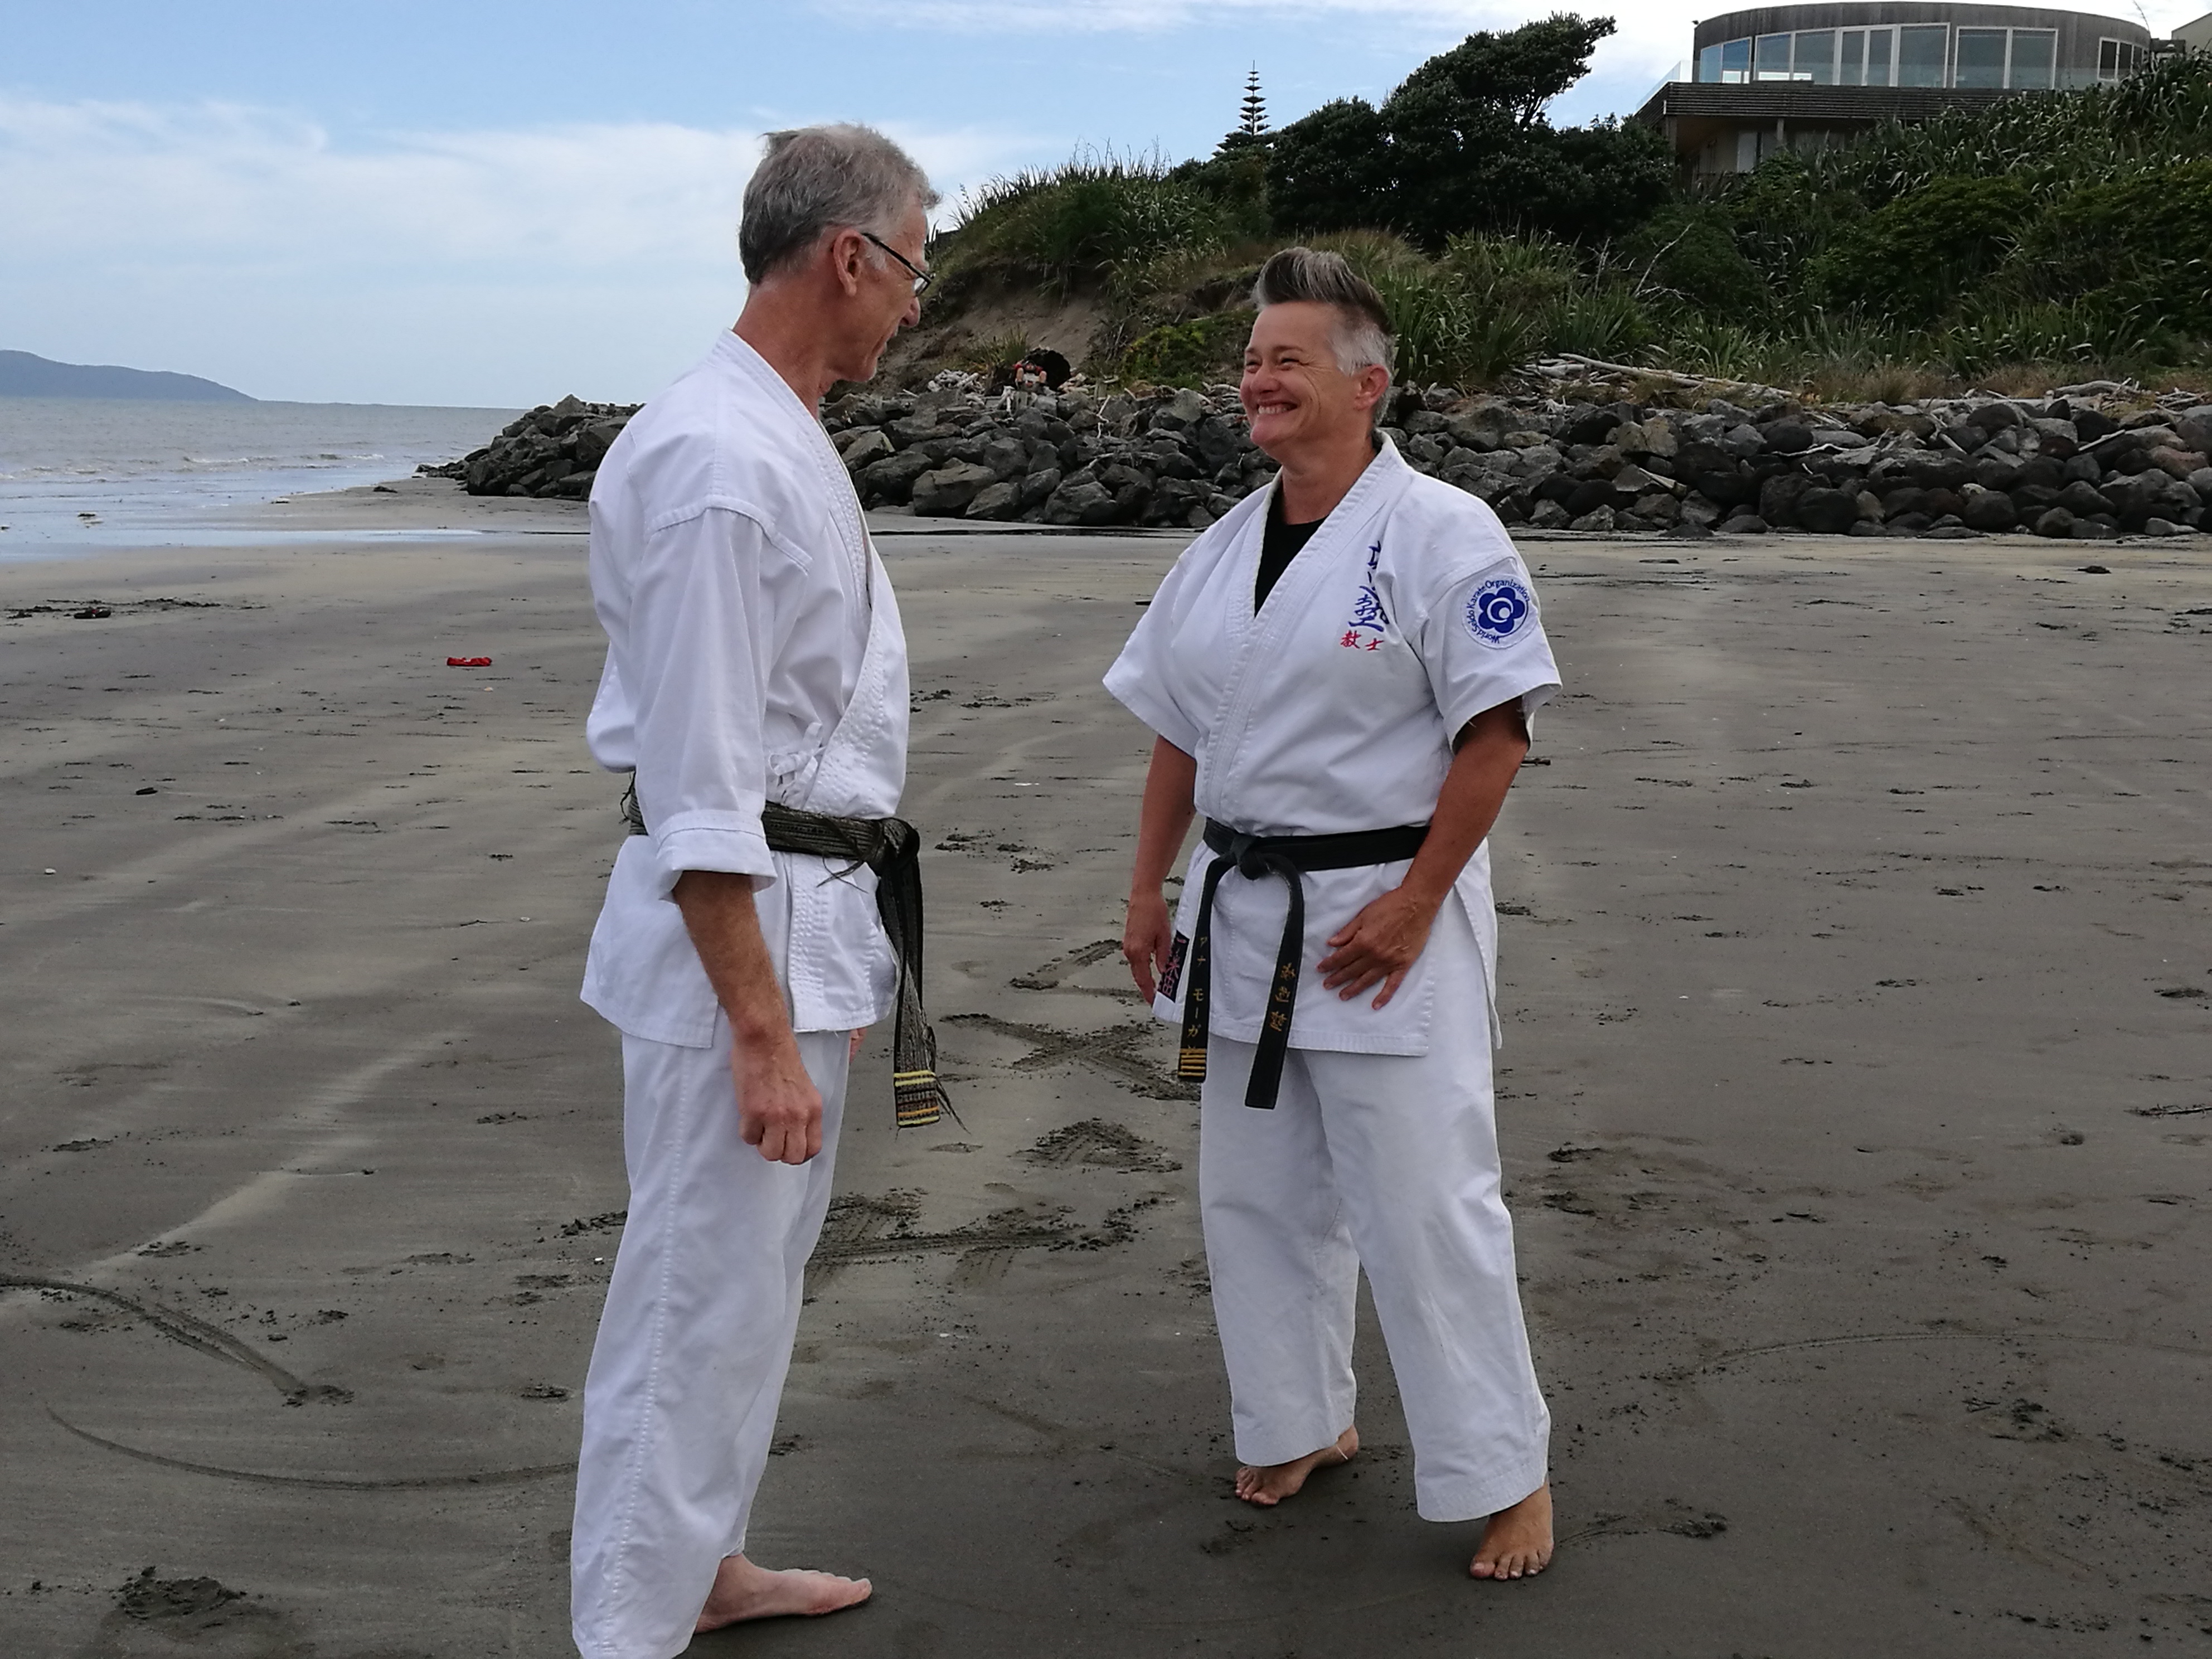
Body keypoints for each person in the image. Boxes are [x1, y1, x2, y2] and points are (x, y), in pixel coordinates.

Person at [1105, 248, 1561, 1582]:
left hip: (1378, 919)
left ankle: (1505, 1472)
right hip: (1241, 909)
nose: (1256, 380)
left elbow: (1495, 734)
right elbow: (1178, 731)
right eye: (1251, 361)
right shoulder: (1220, 548)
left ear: (1368, 384)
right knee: (1256, 1192)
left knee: (1426, 1206)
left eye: (1286, 360)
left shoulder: (1445, 533)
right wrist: (1147, 886)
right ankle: (1300, 1420)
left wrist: (1419, 901)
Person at [569, 124, 947, 1658]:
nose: (915, 302)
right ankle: (628, 1628)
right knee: (691, 1296)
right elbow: (701, 780)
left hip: (805, 909)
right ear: (849, 256)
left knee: (748, 1287)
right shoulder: (721, 465)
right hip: (742, 927)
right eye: (914, 266)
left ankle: (700, 1568)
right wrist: (759, 1027)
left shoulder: (771, 431)